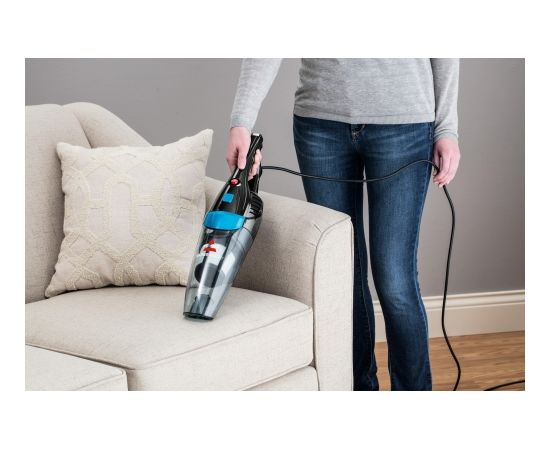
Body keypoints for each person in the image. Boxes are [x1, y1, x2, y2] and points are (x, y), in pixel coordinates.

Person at [226, 58, 460, 391]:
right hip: (320, 125)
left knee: (395, 279)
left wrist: (446, 128)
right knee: (342, 275)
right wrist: (241, 122)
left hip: (403, 125)